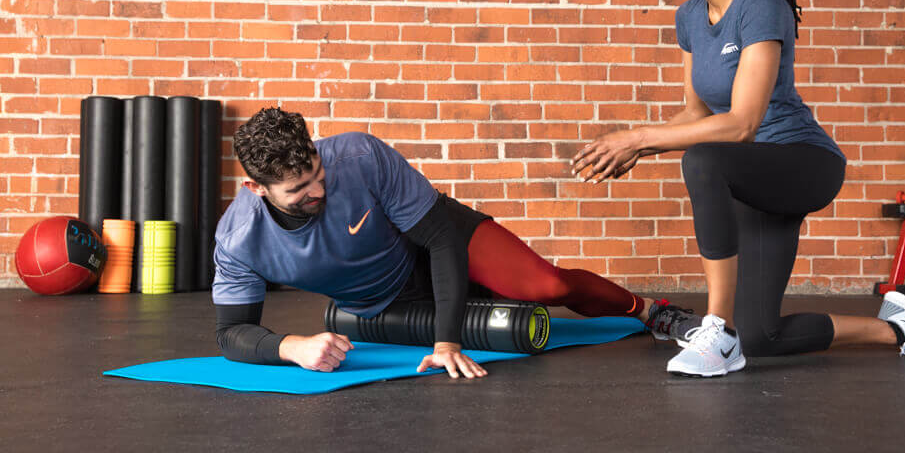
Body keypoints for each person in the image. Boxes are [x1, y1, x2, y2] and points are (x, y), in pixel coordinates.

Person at [570, 0, 905, 378]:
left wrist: (639, 138)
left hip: (801, 162)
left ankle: (717, 330)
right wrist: (633, 145)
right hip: (748, 172)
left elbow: (742, 124)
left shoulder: (760, 2)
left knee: (701, 160)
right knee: (762, 336)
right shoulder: (689, 18)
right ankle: (904, 329)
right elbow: (698, 115)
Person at [213, 107, 692, 379]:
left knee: (546, 287)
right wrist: (291, 346)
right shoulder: (239, 239)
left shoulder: (360, 155)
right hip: (386, 299)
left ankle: (650, 311)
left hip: (439, 239)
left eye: (317, 173)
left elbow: (440, 238)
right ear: (258, 189)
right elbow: (231, 332)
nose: (317, 191)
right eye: (298, 190)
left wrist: (447, 342)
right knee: (511, 315)